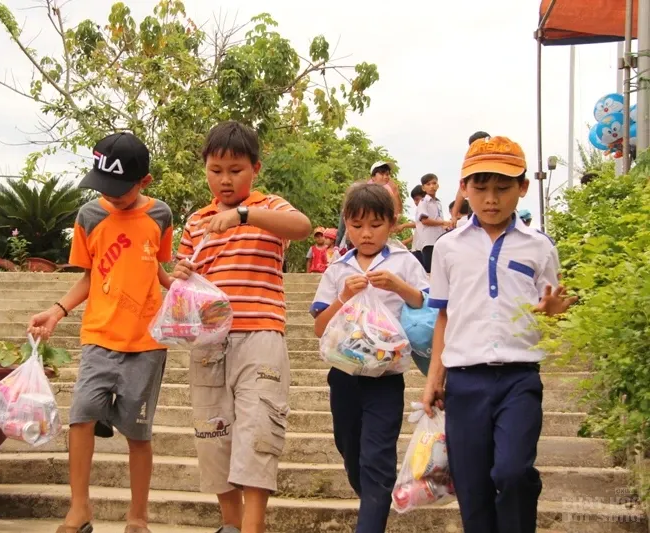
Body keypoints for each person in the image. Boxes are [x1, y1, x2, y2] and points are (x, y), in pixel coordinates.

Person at [421, 136, 578, 533]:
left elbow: (551, 313)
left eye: (503, 188)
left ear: (522, 188)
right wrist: (433, 378)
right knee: (472, 489)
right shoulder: (448, 248)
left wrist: (555, 315)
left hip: (518, 379)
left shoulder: (540, 247)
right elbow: (443, 317)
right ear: (464, 188)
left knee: (512, 472)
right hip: (465, 381)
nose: (491, 199)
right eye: (481, 188)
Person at [27, 132, 174, 533]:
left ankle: (138, 517)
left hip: (146, 342)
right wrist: (57, 312)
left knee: (138, 433)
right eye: (103, 186)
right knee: (81, 417)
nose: (111, 196)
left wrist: (182, 289)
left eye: (120, 190)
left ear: (144, 182)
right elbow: (90, 278)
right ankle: (80, 508)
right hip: (98, 336)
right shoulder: (89, 217)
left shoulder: (161, 216)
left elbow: (157, 269)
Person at [172, 121, 312, 533]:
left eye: (236, 169)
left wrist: (244, 215)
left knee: (258, 427)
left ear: (256, 168)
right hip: (208, 339)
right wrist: (178, 273)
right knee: (212, 430)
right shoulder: (196, 221)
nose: (225, 179)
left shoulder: (270, 208)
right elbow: (181, 283)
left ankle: (253, 526)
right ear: (205, 169)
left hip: (261, 335)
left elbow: (302, 228)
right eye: (216, 170)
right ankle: (230, 524)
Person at [310, 183, 429, 532]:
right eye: (358, 225)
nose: (366, 234)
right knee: (350, 449)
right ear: (346, 222)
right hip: (344, 375)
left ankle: (371, 519)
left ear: (392, 224)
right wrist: (343, 297)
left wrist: (398, 287)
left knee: (377, 458)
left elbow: (426, 303)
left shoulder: (404, 262)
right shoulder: (337, 268)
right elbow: (319, 327)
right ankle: (372, 500)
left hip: (386, 378)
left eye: (376, 225)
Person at [337, 160, 401, 250]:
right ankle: (338, 245)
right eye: (382, 174)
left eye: (387, 174)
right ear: (373, 177)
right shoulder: (362, 191)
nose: (386, 177)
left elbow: (397, 212)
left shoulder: (388, 191)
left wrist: (396, 194)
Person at [449, 131, 491, 224]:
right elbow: (461, 190)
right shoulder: (471, 166)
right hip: (477, 213)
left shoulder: (501, 163)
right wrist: (454, 215)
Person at [416, 173, 453, 273]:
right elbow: (425, 220)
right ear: (423, 188)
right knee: (430, 271)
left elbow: (439, 220)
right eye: (428, 184)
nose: (432, 186)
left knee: (440, 270)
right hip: (429, 241)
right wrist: (443, 222)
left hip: (439, 240)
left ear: (438, 185)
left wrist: (446, 225)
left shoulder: (438, 203)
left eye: (434, 183)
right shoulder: (423, 202)